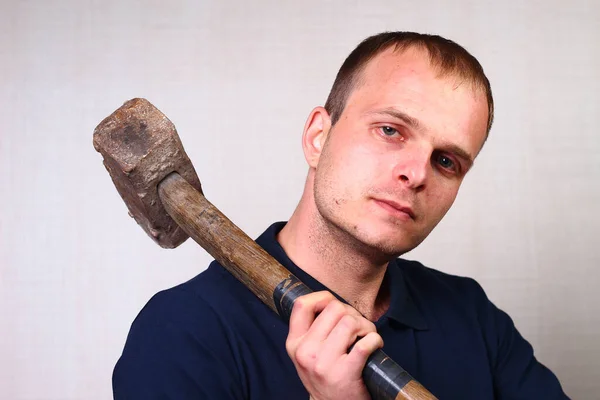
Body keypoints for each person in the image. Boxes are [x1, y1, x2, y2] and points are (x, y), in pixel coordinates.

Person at [112, 32, 569, 399]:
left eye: (447, 161)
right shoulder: (182, 333)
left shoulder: (473, 318)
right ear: (317, 137)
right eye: (391, 130)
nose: (415, 174)